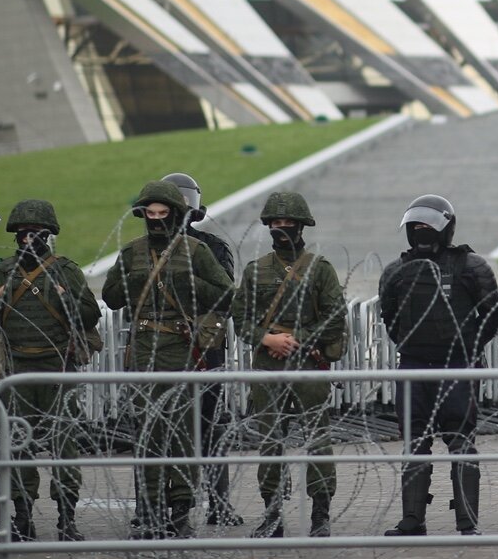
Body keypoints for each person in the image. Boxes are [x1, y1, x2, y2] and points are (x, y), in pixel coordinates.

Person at [102, 180, 233, 538]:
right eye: (150, 214)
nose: (156, 220)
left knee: (181, 430)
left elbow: (225, 295)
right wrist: (135, 279)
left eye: (163, 213)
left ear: (175, 214)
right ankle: (149, 509)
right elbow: (111, 296)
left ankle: (180, 509)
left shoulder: (197, 251)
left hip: (180, 346)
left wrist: (189, 284)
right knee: (147, 431)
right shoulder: (132, 252)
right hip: (144, 347)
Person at [0, 199, 101, 542]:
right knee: (20, 444)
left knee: (64, 444)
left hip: (57, 367)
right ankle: (22, 515)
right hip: (17, 369)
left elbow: (89, 315)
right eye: (22, 234)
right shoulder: (3, 272)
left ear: (49, 236)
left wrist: (64, 296)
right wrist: (0, 297)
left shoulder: (65, 271)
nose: (29, 240)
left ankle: (67, 517)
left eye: (36, 234)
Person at [380, 194, 498, 536]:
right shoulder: (397, 271)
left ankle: (467, 521)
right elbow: (390, 319)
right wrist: (413, 345)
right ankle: (412, 519)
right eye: (415, 227)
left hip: (458, 366)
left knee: (461, 440)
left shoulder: (471, 266)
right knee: (415, 441)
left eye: (428, 227)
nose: (421, 233)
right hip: (415, 365)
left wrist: (467, 347)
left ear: (445, 228)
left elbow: (491, 317)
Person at [232, 190, 346, 538]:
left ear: (301, 226)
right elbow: (241, 318)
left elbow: (335, 316)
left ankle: (321, 514)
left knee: (318, 438)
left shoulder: (319, 269)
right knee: (270, 440)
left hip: (308, 363)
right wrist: (268, 339)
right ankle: (272, 513)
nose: (282, 228)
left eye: (288, 223)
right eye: (276, 223)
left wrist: (298, 340)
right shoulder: (256, 271)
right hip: (269, 363)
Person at [163, 172, 241, 528]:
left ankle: (219, 502)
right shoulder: (144, 249)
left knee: (210, 422)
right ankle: (157, 506)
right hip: (161, 346)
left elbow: (224, 295)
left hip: (204, 345)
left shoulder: (212, 247)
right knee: (160, 425)